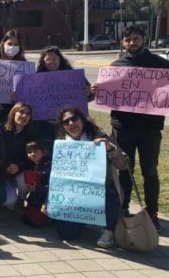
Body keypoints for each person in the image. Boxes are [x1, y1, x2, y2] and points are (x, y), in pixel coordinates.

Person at [94, 25, 169, 231]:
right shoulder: (116, 66)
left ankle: (152, 212)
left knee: (150, 171)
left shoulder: (160, 66)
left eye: (136, 38)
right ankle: (124, 207)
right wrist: (98, 90)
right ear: (122, 42)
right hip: (122, 127)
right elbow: (104, 95)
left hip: (149, 129)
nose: (131, 43)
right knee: (124, 170)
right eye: (127, 40)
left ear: (144, 39)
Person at [54, 106, 127, 248]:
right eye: (66, 122)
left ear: (82, 120)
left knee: (110, 194)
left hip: (102, 189)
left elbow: (123, 165)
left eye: (74, 119)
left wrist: (110, 149)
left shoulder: (99, 137)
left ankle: (109, 230)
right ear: (63, 126)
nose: (71, 124)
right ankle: (85, 219)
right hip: (74, 194)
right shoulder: (62, 143)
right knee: (66, 234)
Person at [34, 45, 92, 148]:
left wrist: (89, 93)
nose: (52, 61)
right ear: (43, 61)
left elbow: (90, 96)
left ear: (60, 59)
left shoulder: (74, 76)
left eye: (55, 58)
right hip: (47, 125)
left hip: (70, 122)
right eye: (48, 59)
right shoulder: (36, 78)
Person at [0, 29, 27, 123]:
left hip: (13, 108)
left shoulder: (24, 64)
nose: (12, 47)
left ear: (20, 46)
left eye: (16, 44)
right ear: (3, 43)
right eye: (9, 43)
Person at [1, 102, 36, 209]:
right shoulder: (0, 130)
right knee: (8, 201)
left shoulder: (31, 135)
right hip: (1, 173)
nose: (24, 116)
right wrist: (6, 165)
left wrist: (18, 166)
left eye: (28, 114)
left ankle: (21, 199)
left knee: (25, 176)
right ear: (13, 113)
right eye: (21, 112)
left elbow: (30, 160)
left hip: (19, 173)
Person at [20, 141, 51, 227]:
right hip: (37, 196)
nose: (32, 154)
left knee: (36, 222)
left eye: (36, 151)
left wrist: (36, 188)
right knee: (26, 219)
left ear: (44, 152)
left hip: (46, 199)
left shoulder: (49, 166)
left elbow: (51, 188)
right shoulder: (33, 164)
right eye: (29, 152)